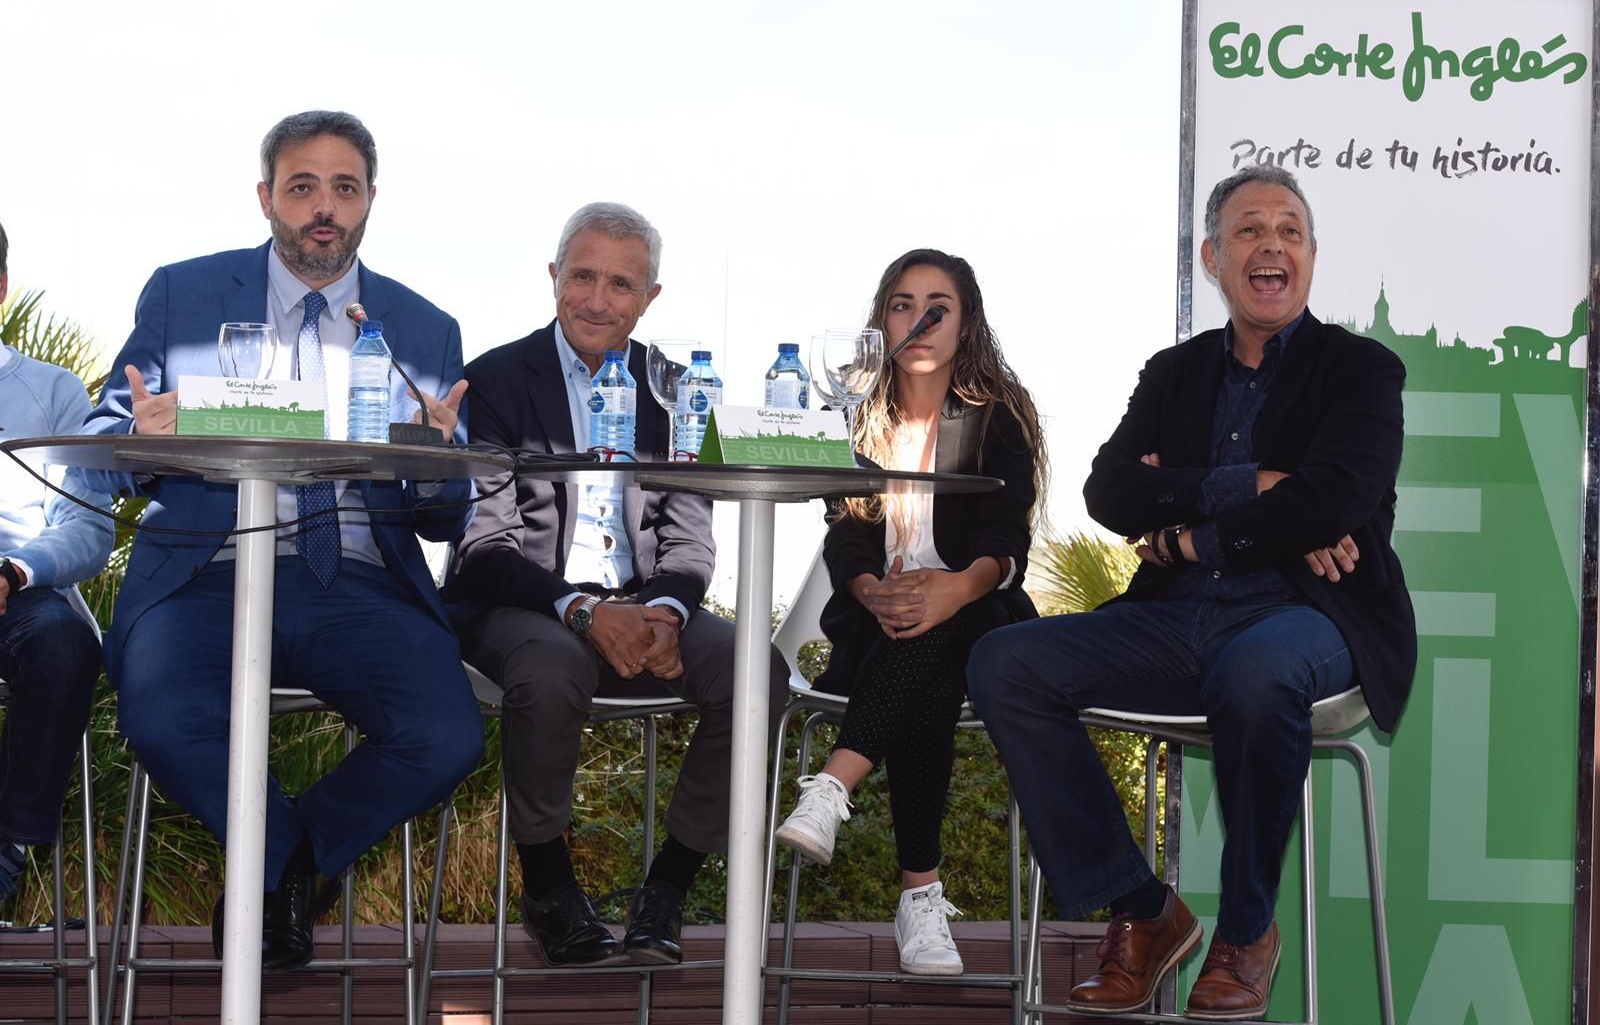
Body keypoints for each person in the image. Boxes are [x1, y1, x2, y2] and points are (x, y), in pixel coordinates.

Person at [967, 164, 1415, 1019]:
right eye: (1249, 230)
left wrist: (1187, 526)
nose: (1270, 244)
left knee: (1257, 673)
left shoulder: (1362, 369)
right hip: (1175, 618)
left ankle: (1246, 935)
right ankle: (1145, 911)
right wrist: (1253, 484)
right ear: (1213, 258)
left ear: (1312, 256)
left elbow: (1337, 496)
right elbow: (1108, 493)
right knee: (1005, 661)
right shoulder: (1172, 372)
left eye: (1289, 229)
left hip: (1307, 614)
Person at [80, 111, 485, 970]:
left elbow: (448, 517)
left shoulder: (423, 326)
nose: (323, 208)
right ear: (266, 198)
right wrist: (141, 434)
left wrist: (443, 465)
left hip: (360, 583)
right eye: (303, 187)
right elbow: (113, 426)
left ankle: (280, 868)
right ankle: (290, 866)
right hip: (207, 572)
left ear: (372, 200)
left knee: (446, 735)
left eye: (344, 187)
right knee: (159, 712)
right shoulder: (182, 294)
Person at [445, 201, 789, 968]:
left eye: (622, 285)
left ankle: (666, 889)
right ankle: (548, 884)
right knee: (551, 664)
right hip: (520, 603)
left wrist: (664, 613)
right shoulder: (495, 379)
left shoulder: (676, 388)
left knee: (755, 669)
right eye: (583, 277)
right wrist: (583, 611)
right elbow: (486, 544)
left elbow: (690, 534)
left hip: (644, 602)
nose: (598, 300)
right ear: (554, 278)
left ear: (651, 298)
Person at [772, 249, 1044, 976]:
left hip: (983, 612)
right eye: (902, 304)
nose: (919, 319)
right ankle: (919, 897)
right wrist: (871, 593)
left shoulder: (996, 419)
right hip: (879, 625)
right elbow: (847, 537)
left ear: (965, 324)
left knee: (939, 629)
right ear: (882, 321)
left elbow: (1004, 539)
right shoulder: (858, 421)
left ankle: (833, 787)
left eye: (937, 306)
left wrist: (950, 588)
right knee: (920, 658)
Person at [0, 220, 116, 916]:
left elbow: (90, 528)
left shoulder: (53, 391)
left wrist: (16, 571)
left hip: (23, 583)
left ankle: (10, 847)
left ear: (1, 287)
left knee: (64, 646)